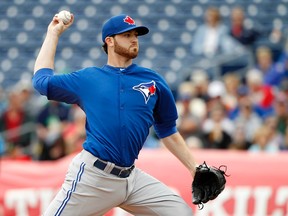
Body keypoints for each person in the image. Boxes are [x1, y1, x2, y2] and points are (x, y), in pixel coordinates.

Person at [32, 13, 197, 215]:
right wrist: (53, 33)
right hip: (94, 177)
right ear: (109, 41)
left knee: (182, 213)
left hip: (131, 179)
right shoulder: (89, 79)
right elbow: (41, 81)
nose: (134, 39)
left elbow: (167, 130)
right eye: (126, 35)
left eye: (135, 34)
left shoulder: (153, 80)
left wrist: (193, 168)